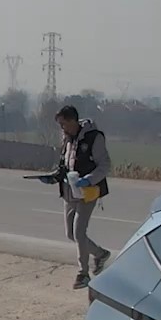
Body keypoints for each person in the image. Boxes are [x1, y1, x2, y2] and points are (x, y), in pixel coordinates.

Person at [52, 104, 112, 290]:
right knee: (70, 234)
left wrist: (89, 179)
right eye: (60, 125)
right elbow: (65, 165)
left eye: (64, 124)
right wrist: (54, 177)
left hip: (88, 192)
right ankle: (100, 254)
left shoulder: (94, 137)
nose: (62, 128)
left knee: (79, 232)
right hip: (69, 192)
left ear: (73, 120)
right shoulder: (67, 139)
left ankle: (83, 273)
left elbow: (105, 166)